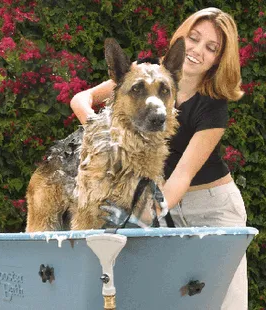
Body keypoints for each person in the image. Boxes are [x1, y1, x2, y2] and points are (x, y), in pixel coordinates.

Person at [70, 7, 247, 310]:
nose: (197, 50)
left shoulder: (213, 108)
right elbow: (80, 99)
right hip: (167, 208)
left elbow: (181, 177)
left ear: (218, 59)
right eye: (194, 38)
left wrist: (135, 221)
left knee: (224, 303)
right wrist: (102, 131)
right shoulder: (145, 75)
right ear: (182, 36)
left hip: (212, 208)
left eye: (211, 48)